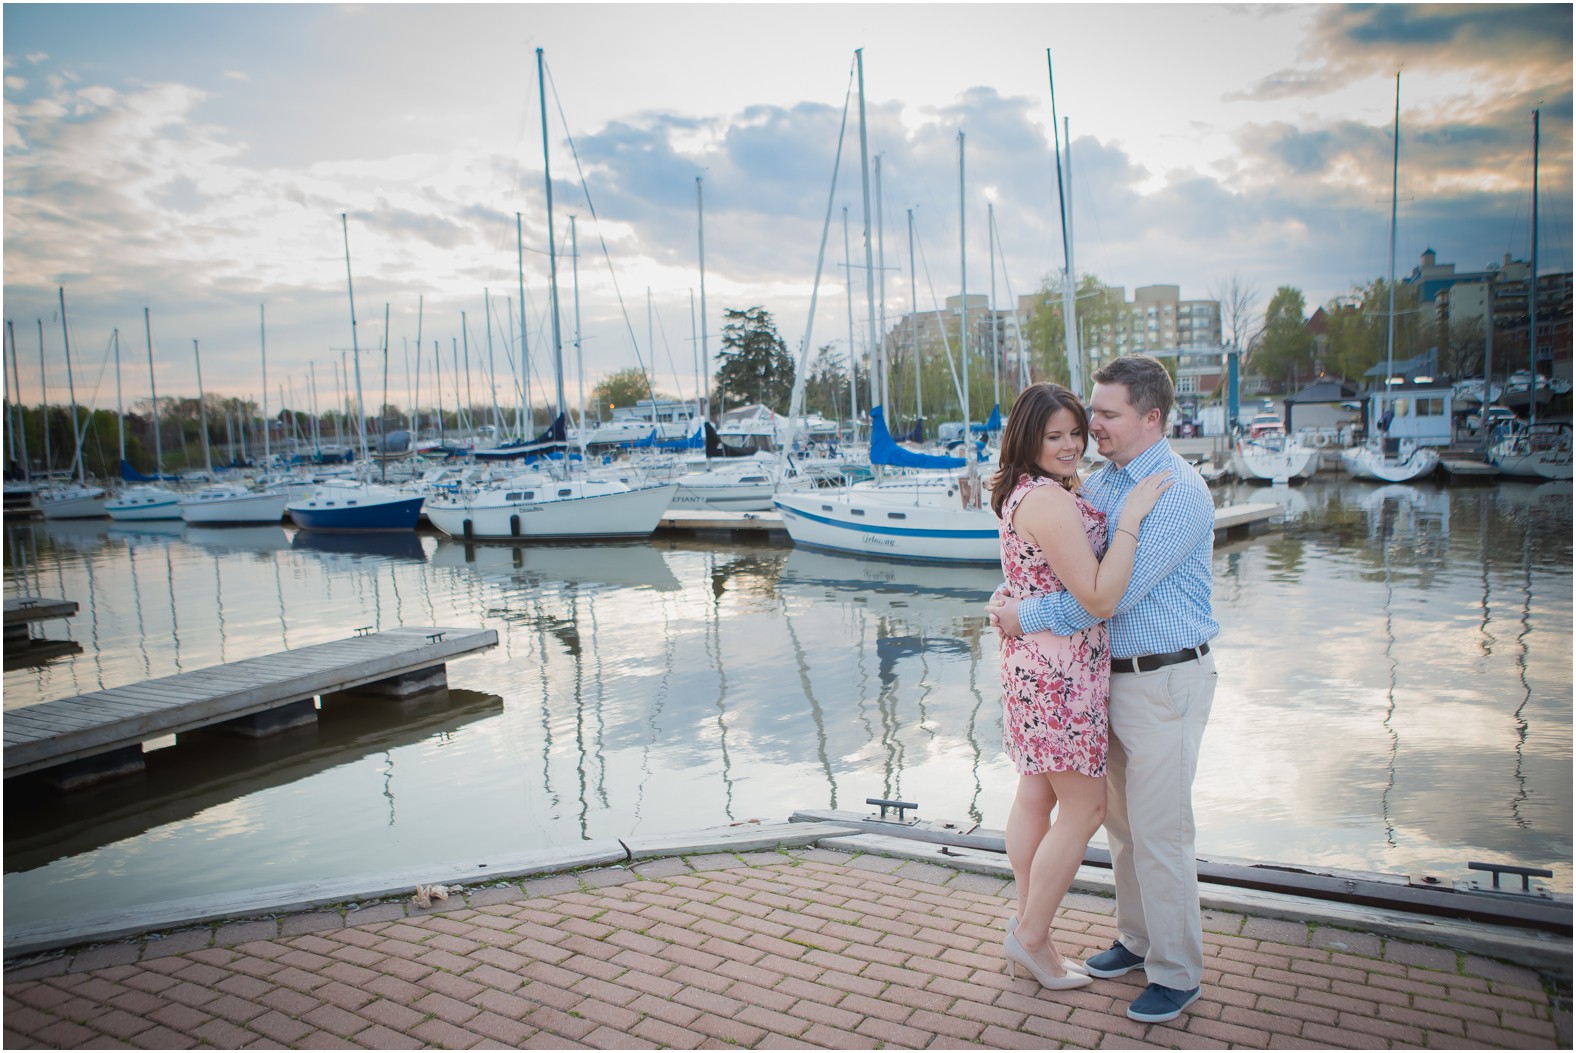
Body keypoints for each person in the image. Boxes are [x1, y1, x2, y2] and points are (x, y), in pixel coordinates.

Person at [988, 354, 1218, 1024]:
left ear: (1151, 417)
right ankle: (1138, 938)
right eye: (1092, 415)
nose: (1092, 429)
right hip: (1101, 681)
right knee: (1120, 827)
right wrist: (1018, 598)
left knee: (1161, 831)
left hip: (1164, 676)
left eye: (1106, 415)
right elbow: (1059, 564)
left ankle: (1177, 972)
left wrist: (1020, 615)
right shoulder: (1110, 483)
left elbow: (1101, 598)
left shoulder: (1176, 491)